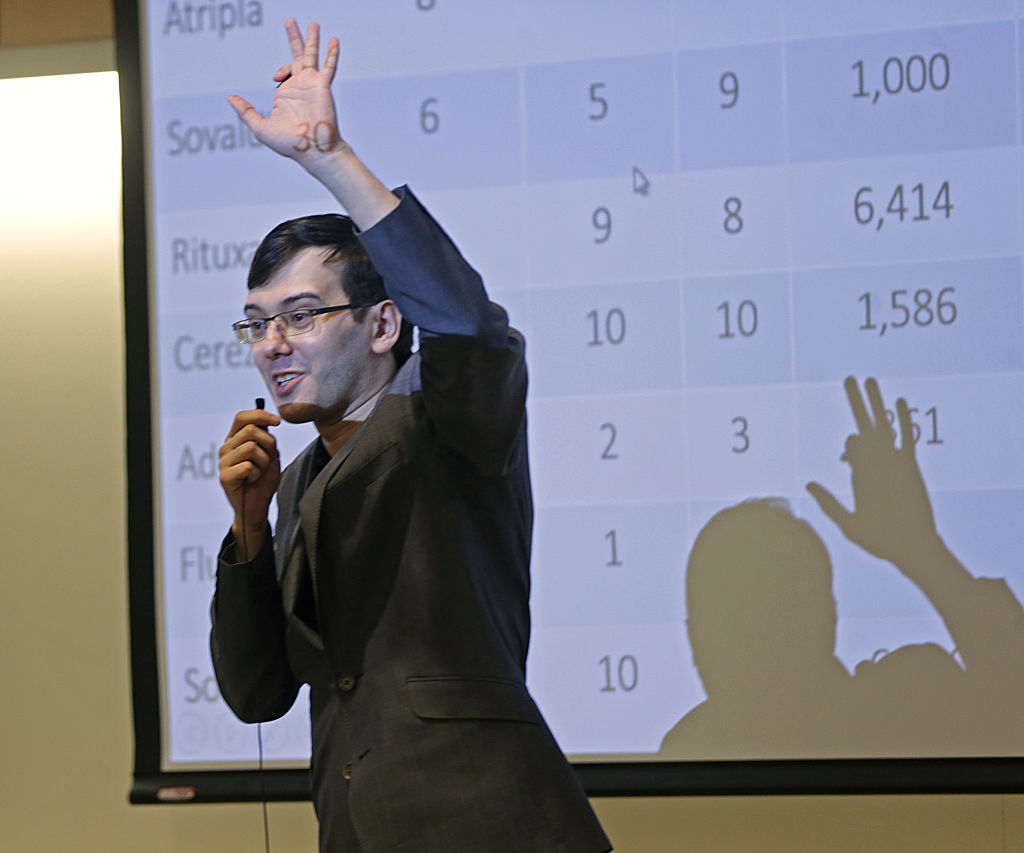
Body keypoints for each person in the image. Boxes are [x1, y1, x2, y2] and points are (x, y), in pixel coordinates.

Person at [210, 18, 611, 853]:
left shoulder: (449, 416)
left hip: (493, 826)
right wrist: (249, 532)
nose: (272, 344)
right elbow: (257, 694)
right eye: (255, 324)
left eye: (301, 315)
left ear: (385, 322)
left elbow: (468, 320)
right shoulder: (293, 481)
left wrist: (330, 159)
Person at [660, 377, 1024, 759]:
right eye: (724, 623)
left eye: (763, 616)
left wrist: (923, 552)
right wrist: (922, 554)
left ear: (826, 617)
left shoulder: (912, 700)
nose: (748, 647)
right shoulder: (687, 753)